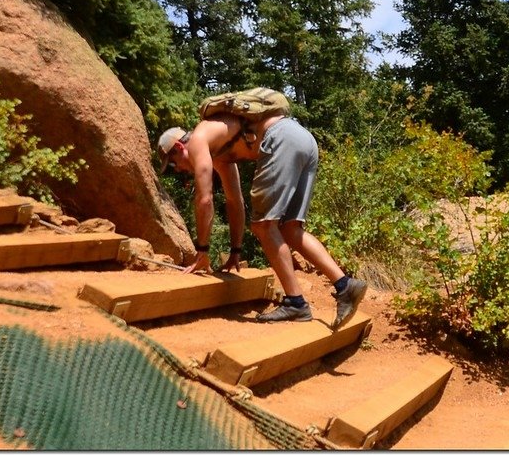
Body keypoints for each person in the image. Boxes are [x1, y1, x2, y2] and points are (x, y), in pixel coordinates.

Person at [156, 99, 367, 328]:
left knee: (265, 225)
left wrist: (203, 251)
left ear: (179, 147)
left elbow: (204, 200)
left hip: (281, 139)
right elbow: (234, 201)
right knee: (290, 229)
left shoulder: (198, 140)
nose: (179, 170)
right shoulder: (221, 152)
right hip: (303, 139)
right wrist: (235, 251)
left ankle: (295, 302)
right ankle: (345, 286)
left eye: (174, 164)